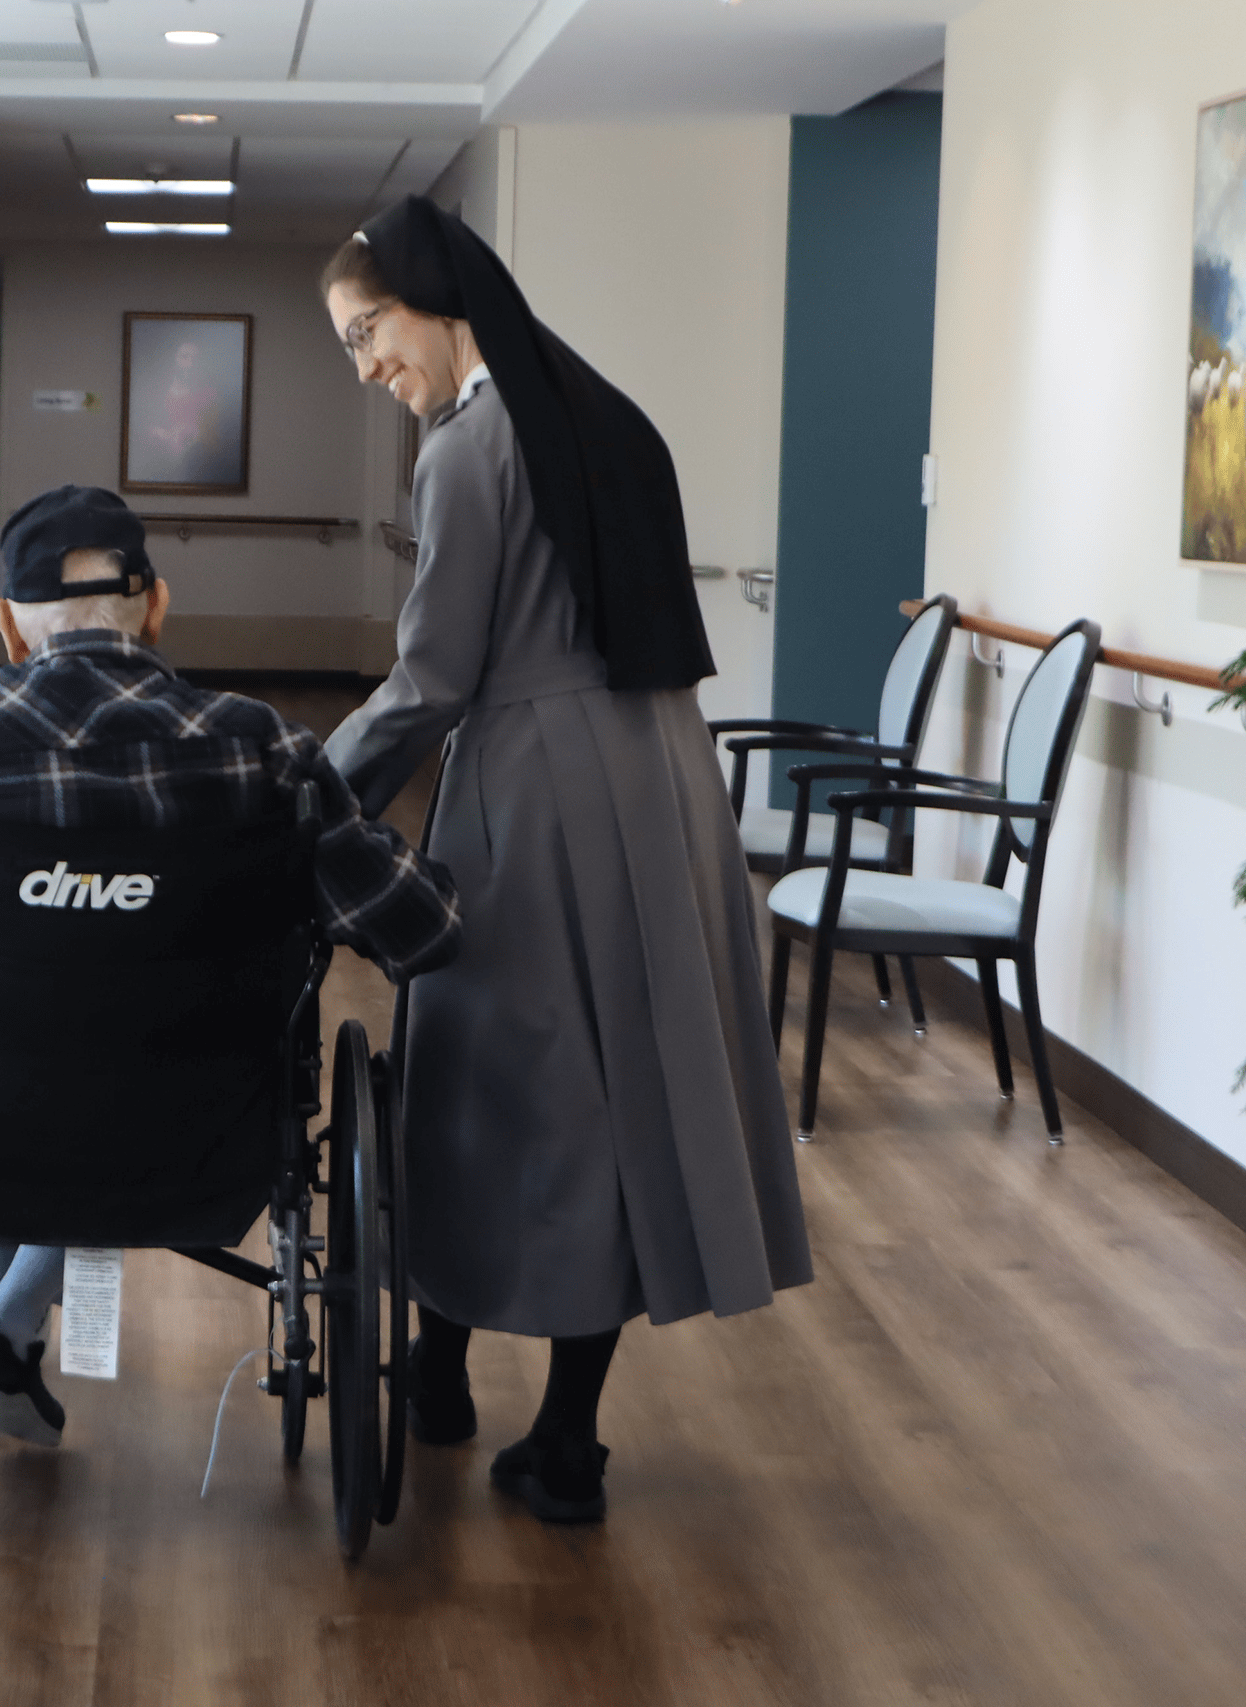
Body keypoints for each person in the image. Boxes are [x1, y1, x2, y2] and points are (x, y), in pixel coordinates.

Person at [0, 483, 461, 1449]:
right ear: (158, 606)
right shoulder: (258, 747)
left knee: (40, 1033)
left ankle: (6, 1284)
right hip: (199, 1132)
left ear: (8, 624)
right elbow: (418, 927)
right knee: (116, 1052)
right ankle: (11, 1321)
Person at [317, 196, 810, 1523]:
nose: (367, 367)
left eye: (369, 332)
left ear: (433, 301)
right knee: (618, 1092)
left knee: (479, 1072)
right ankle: (568, 1438)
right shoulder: (606, 414)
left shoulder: (469, 451)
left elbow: (431, 680)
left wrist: (308, 788)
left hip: (537, 791)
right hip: (661, 780)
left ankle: (437, 1370)